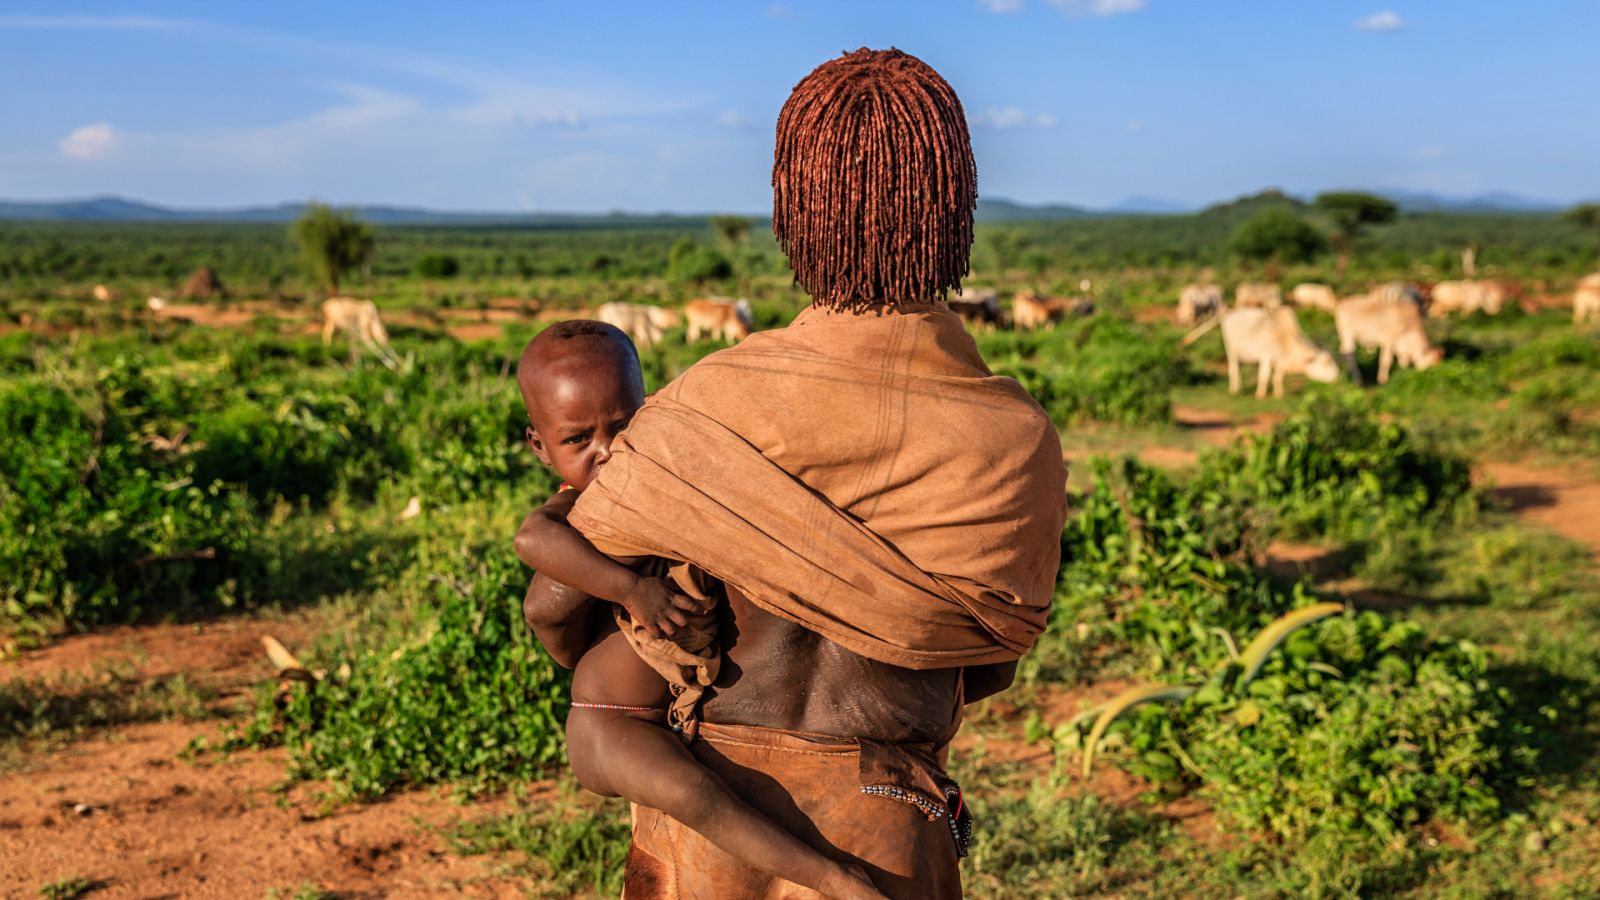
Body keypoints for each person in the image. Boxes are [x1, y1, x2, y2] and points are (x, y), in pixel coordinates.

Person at [524, 48, 1068, 898]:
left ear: (796, 213)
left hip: (702, 831)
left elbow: (557, 603)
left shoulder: (707, 405)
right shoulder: (1016, 442)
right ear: (955, 209)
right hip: (885, 822)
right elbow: (988, 665)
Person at [512, 320, 886, 900]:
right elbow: (532, 543)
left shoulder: (663, 481)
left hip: (652, 715)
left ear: (652, 407)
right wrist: (631, 591)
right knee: (697, 797)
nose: (606, 451)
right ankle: (832, 879)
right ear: (539, 445)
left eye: (624, 424)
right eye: (578, 439)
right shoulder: (577, 506)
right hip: (611, 721)